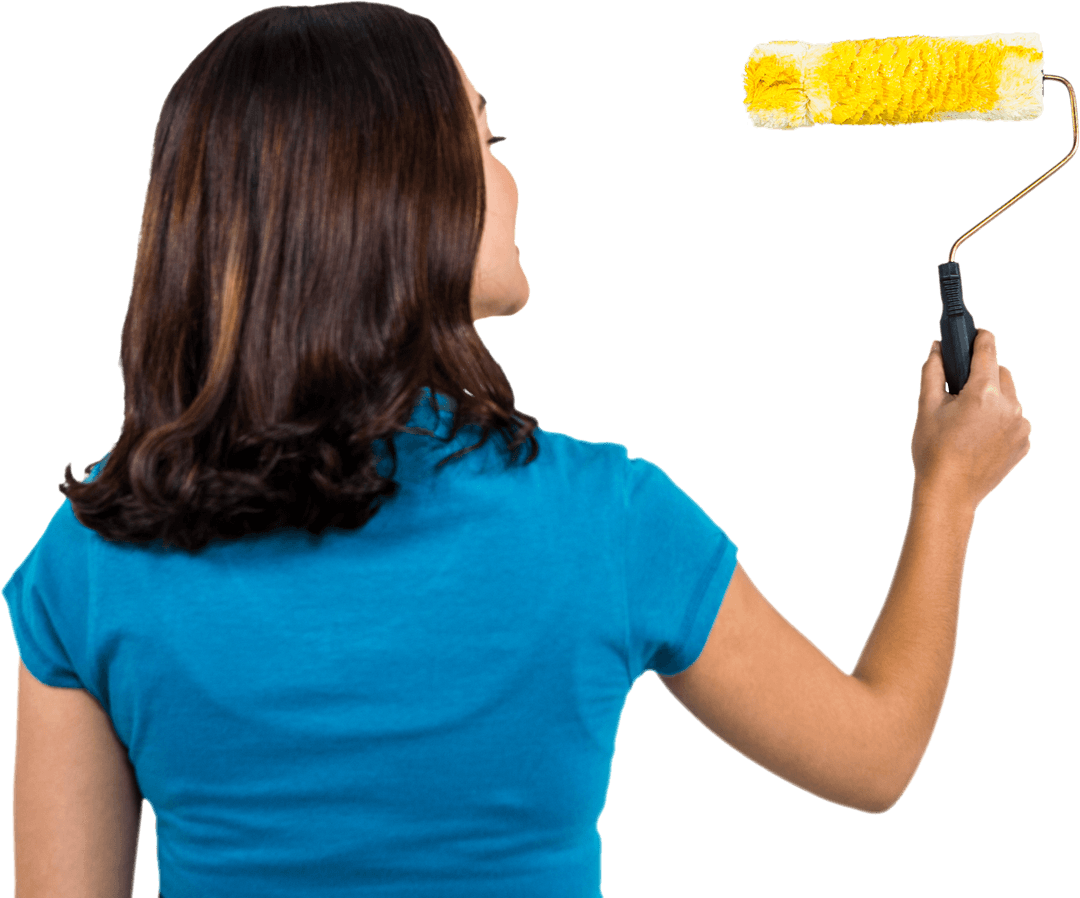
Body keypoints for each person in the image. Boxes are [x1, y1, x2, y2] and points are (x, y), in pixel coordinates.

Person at [6, 3, 1032, 897]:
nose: (510, 178)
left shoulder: (94, 553)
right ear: (394, 202)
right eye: (488, 141)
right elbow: (877, 756)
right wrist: (947, 489)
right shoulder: (608, 520)